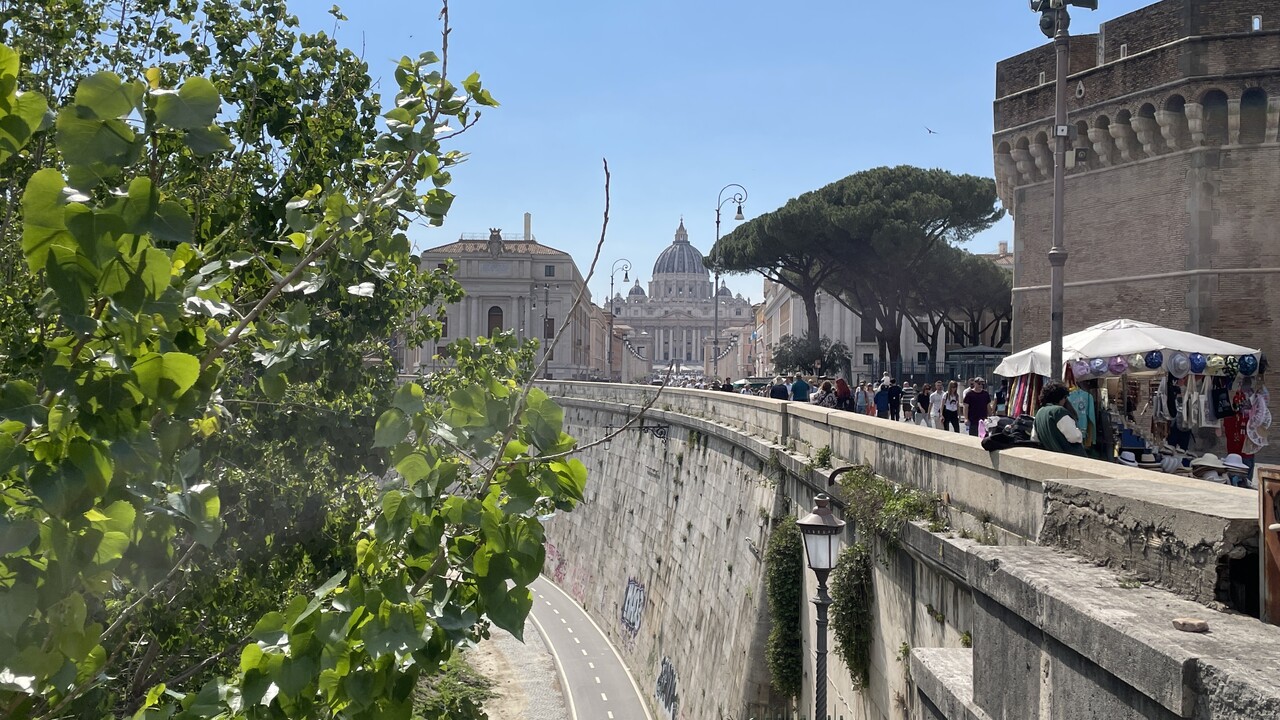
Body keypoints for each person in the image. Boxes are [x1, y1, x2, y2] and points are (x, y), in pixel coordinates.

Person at [1031, 380, 1086, 456]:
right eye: (1064, 398)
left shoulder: (1039, 413)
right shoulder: (1059, 412)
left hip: (1051, 458)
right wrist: (1079, 432)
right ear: (1060, 397)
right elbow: (1074, 437)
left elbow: (1034, 438)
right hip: (1069, 459)